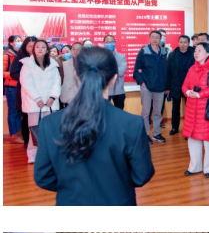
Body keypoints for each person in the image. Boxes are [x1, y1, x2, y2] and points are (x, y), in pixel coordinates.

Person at [34, 47, 155, 205]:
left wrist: (72, 187)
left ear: (76, 75)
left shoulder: (49, 124)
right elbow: (141, 175)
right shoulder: (131, 124)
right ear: (114, 78)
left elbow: (43, 176)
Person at [180, 42, 209, 178]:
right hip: (192, 108)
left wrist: (199, 94)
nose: (196, 53)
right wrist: (187, 92)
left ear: (208, 53)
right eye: (195, 51)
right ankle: (195, 167)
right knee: (193, 138)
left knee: (208, 140)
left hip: (207, 109)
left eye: (199, 50)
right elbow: (185, 85)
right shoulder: (192, 68)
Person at [19, 39, 61, 164]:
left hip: (50, 103)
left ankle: (50, 155)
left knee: (50, 130)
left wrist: (53, 97)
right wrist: (37, 98)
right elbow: (26, 83)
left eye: (43, 47)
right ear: (33, 49)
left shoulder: (53, 64)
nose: (40, 49)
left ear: (47, 50)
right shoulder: (27, 65)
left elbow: (57, 82)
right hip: (34, 103)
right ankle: (33, 155)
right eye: (37, 47)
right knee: (34, 130)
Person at [133, 30, 168, 143]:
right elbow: (136, 70)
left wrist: (166, 86)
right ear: (149, 38)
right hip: (147, 87)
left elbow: (166, 70)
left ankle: (156, 134)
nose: (155, 39)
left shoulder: (164, 52)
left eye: (157, 37)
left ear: (160, 39)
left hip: (160, 87)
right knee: (146, 113)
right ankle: (146, 135)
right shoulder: (144, 51)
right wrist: (142, 83)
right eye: (153, 37)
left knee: (158, 113)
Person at [165, 34, 195, 135]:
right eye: (181, 42)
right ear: (178, 43)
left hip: (190, 86)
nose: (182, 44)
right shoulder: (172, 55)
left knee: (190, 109)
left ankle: (189, 129)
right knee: (175, 108)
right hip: (176, 85)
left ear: (188, 43)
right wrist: (168, 87)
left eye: (185, 42)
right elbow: (168, 72)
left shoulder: (194, 54)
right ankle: (175, 127)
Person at [4, 35, 24, 144]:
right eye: (17, 40)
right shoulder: (6, 55)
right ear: (11, 43)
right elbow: (2, 72)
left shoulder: (21, 54)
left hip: (21, 86)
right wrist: (15, 75)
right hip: (11, 86)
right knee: (13, 110)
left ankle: (19, 132)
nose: (19, 42)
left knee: (20, 110)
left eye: (20, 40)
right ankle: (13, 134)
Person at [103, 35, 127, 110]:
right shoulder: (99, 57)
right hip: (105, 90)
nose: (110, 44)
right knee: (105, 113)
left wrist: (107, 68)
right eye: (107, 42)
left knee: (119, 112)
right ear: (104, 43)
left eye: (112, 42)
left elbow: (121, 72)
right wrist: (116, 68)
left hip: (118, 90)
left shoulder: (121, 57)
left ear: (115, 43)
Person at [59, 42, 82, 110]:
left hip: (83, 98)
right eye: (73, 49)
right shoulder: (64, 65)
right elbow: (61, 81)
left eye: (78, 49)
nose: (75, 51)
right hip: (68, 97)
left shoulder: (88, 64)